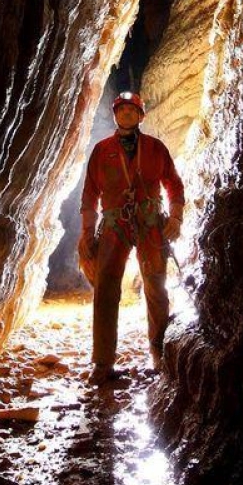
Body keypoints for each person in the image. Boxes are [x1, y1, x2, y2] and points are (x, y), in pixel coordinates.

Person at [78, 91, 185, 385]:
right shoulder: (102, 150)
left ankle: (158, 351)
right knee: (106, 288)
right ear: (116, 115)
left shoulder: (155, 148)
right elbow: (89, 195)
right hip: (114, 223)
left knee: (155, 283)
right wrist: (87, 232)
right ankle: (102, 362)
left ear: (141, 116)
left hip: (150, 220)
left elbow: (174, 185)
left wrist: (175, 217)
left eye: (132, 110)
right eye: (122, 110)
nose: (126, 114)